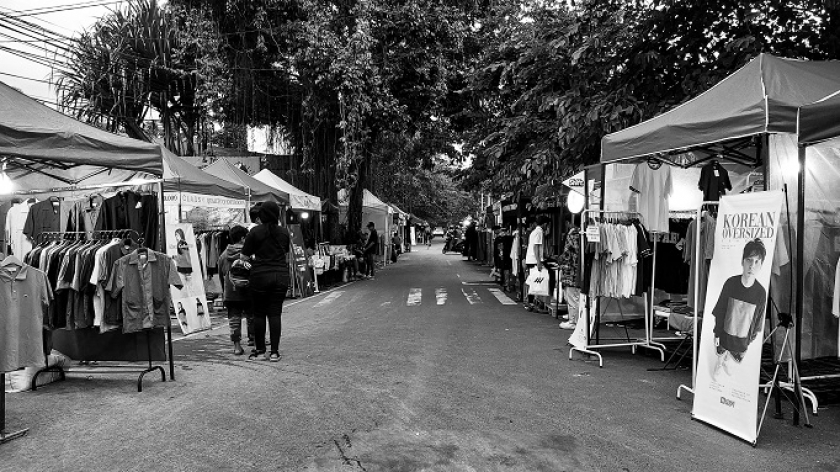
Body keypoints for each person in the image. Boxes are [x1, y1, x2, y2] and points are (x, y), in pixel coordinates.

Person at [241, 201, 291, 362]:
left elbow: (244, 257)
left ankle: (261, 351)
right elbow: (286, 253)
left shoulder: (255, 232)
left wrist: (256, 256)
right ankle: (275, 352)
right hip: (281, 275)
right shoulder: (284, 232)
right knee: (275, 313)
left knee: (259, 314)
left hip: (260, 276)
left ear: (262, 214)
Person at [711, 238, 768, 380]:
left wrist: (748, 342)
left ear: (761, 265)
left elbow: (758, 323)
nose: (752, 266)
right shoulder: (731, 283)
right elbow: (720, 311)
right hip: (724, 339)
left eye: (757, 262)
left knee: (731, 374)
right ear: (743, 261)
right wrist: (717, 334)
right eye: (749, 260)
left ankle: (730, 360)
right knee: (718, 376)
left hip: (741, 346)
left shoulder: (760, 293)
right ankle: (721, 359)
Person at [218, 225, 253, 355]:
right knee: (252, 316)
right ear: (243, 238)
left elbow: (221, 275)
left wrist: (225, 292)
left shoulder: (223, 255)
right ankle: (254, 340)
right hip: (248, 291)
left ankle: (237, 346)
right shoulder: (249, 254)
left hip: (231, 292)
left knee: (234, 320)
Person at [558, 227, 582, 330]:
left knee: (572, 298)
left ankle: (573, 321)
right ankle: (574, 318)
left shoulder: (571, 243)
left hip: (570, 273)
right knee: (575, 297)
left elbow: (566, 258)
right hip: (576, 273)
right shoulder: (581, 239)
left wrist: (561, 263)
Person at [524, 215, 549, 312]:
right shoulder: (539, 232)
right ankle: (533, 303)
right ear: (545, 224)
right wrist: (539, 261)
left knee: (532, 281)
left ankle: (530, 303)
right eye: (547, 225)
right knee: (536, 281)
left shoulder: (534, 231)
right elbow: (536, 247)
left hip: (530, 259)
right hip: (534, 260)